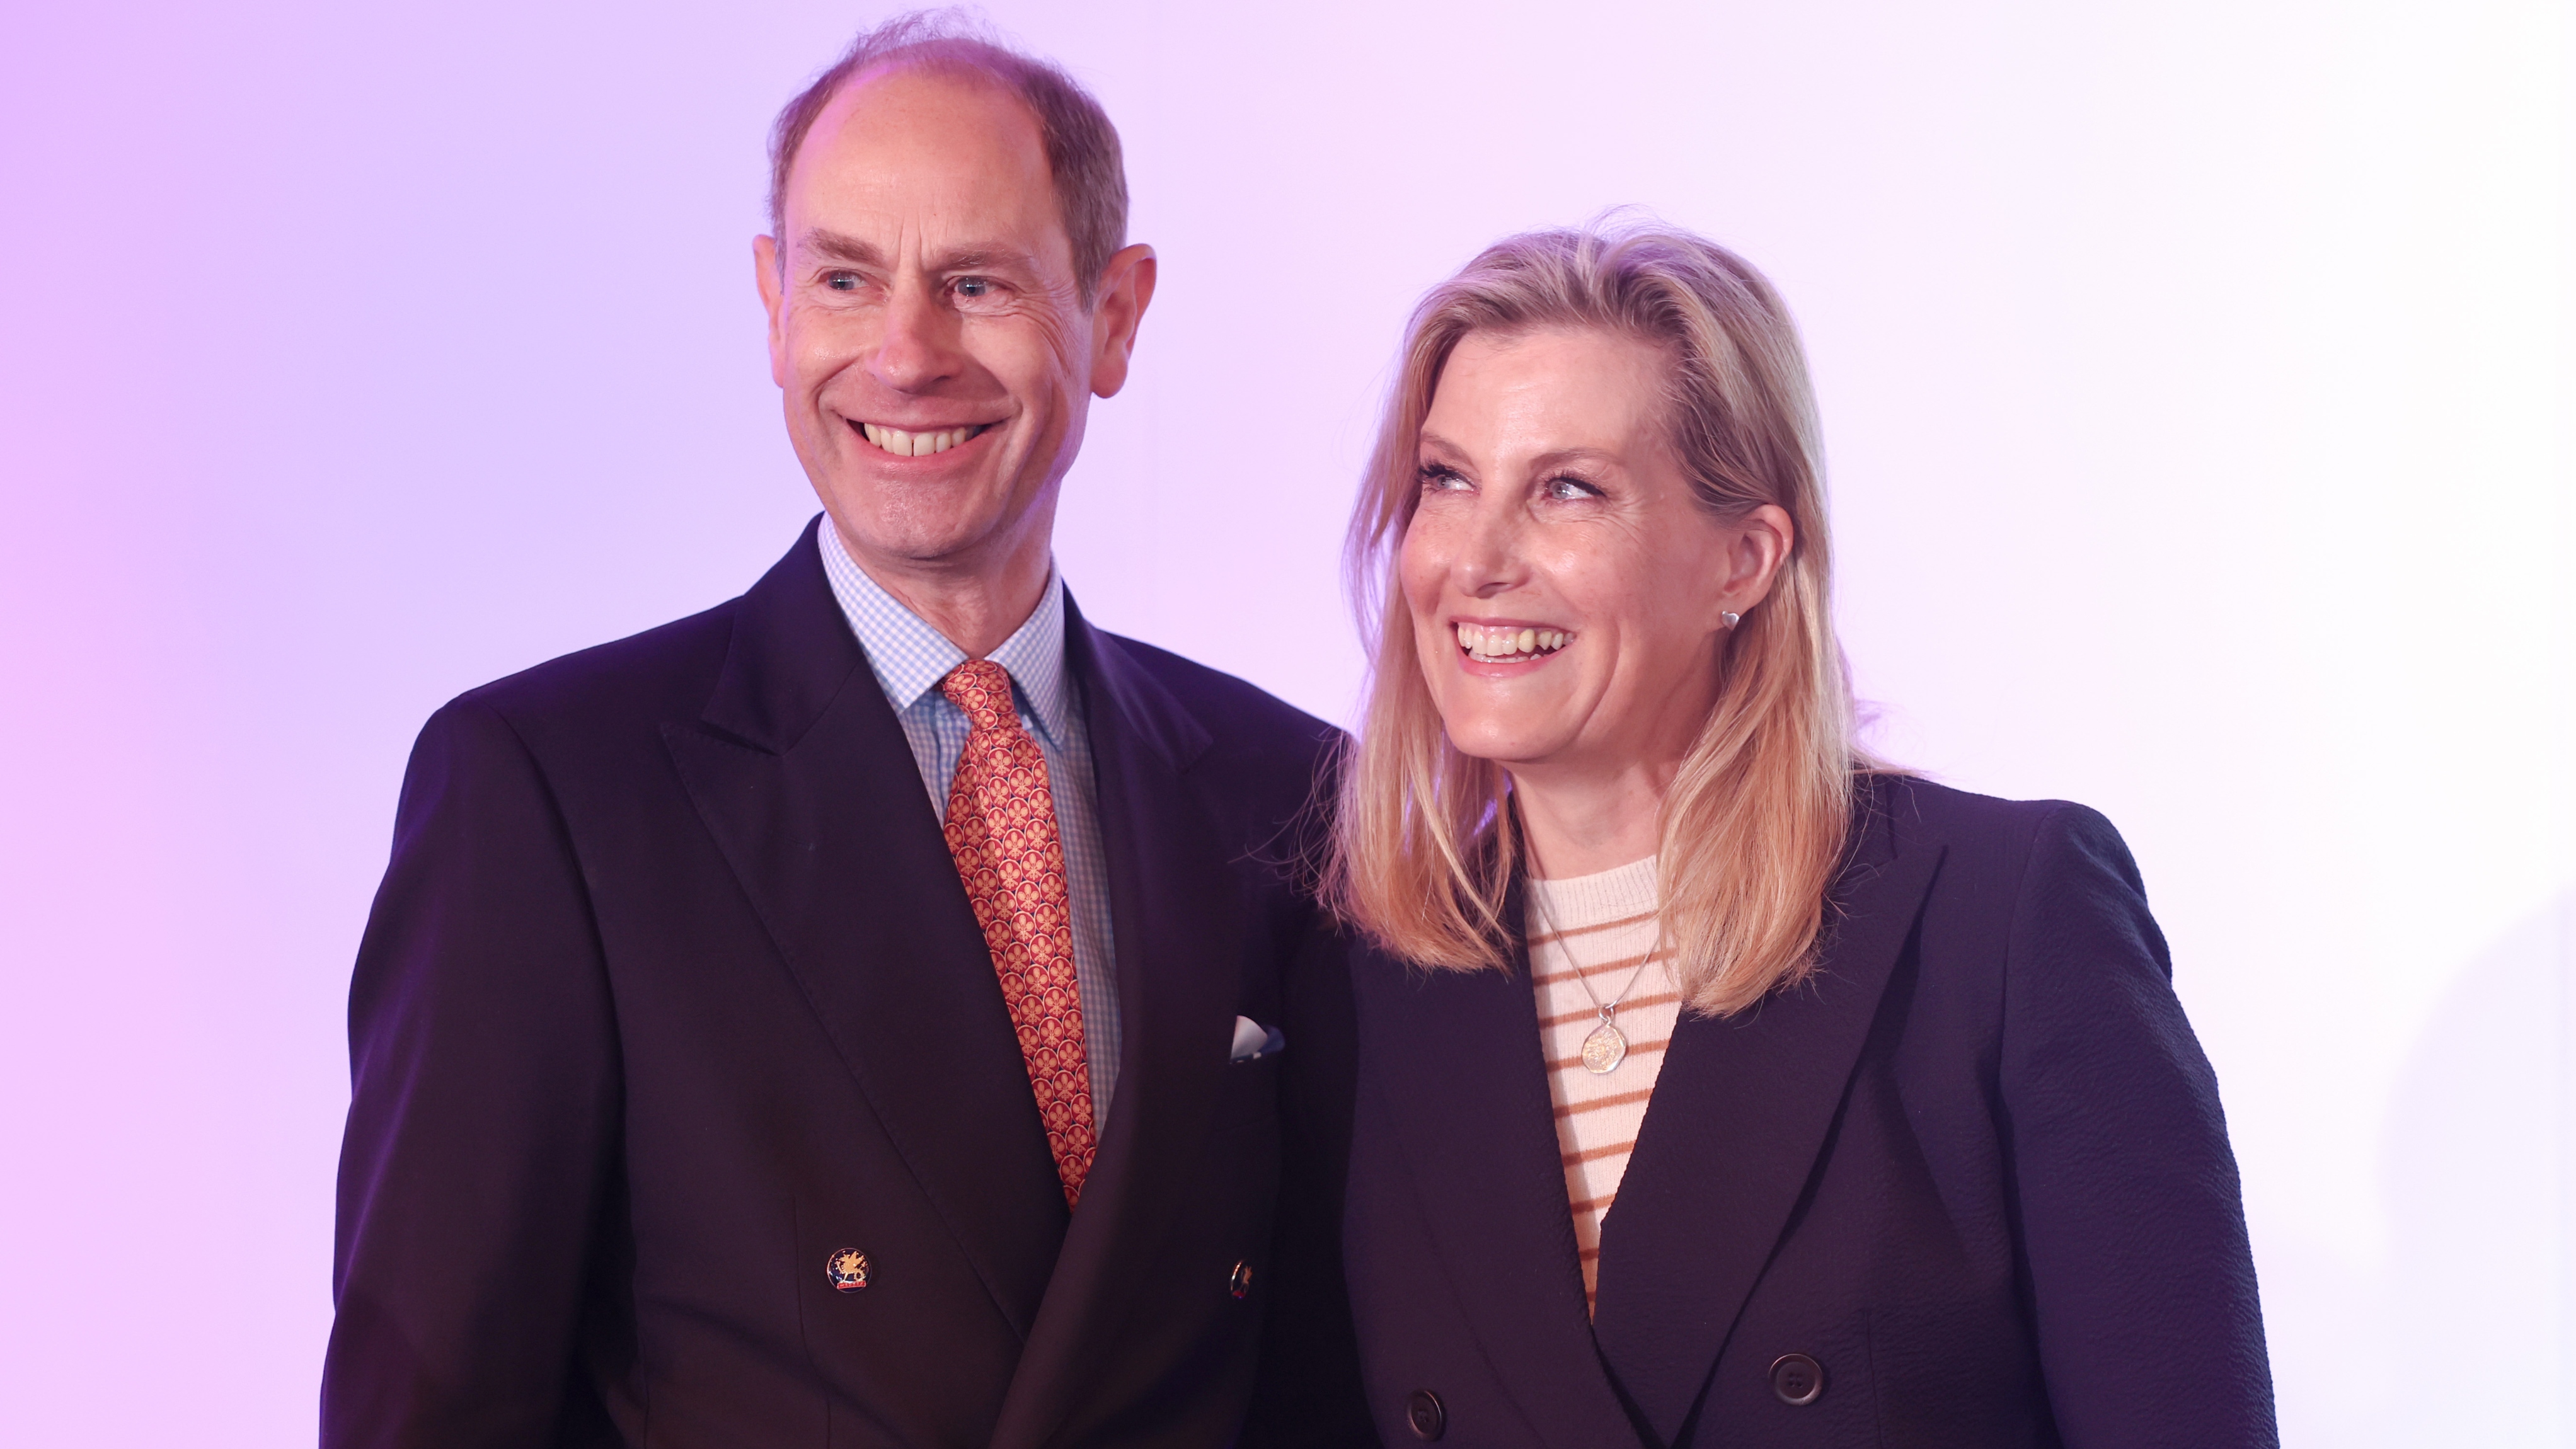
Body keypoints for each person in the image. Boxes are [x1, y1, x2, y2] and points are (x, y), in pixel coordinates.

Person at [323, 15, 1370, 1446]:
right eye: (843, 277)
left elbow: (1329, 1375)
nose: (905, 354)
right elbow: (437, 1409)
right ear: (772, 305)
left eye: (977, 283)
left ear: (1114, 316)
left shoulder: (1293, 794)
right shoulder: (554, 793)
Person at [1323, 221, 2276, 1446]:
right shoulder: (1368, 980)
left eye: (1568, 488)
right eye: (1445, 480)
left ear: (1745, 559)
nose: (1475, 559)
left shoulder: (2000, 919)